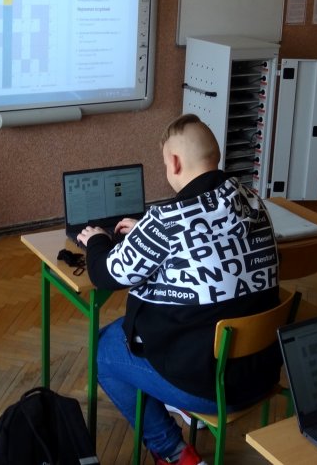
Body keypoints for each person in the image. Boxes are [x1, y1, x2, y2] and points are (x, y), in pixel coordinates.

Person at [76, 114, 280, 465]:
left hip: (211, 386)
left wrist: (96, 241)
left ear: (173, 162)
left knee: (105, 349)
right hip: (263, 371)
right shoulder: (252, 200)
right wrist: (146, 233)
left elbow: (105, 274)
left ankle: (174, 452)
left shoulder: (166, 219)